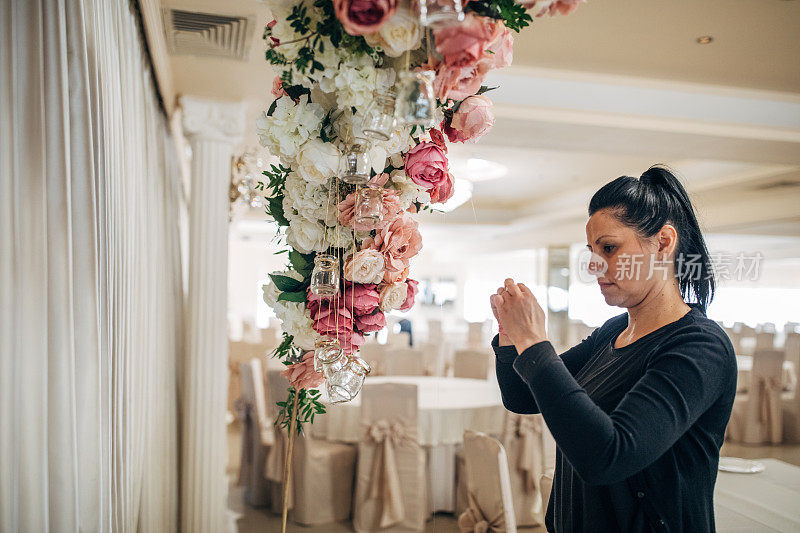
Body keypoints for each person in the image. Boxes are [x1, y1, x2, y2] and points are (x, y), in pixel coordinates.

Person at [490, 166, 737, 532]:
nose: (595, 265)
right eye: (592, 251)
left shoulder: (700, 346)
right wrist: (511, 334)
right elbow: (522, 396)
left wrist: (534, 340)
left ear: (664, 243)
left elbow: (608, 456)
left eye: (609, 248)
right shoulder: (615, 330)